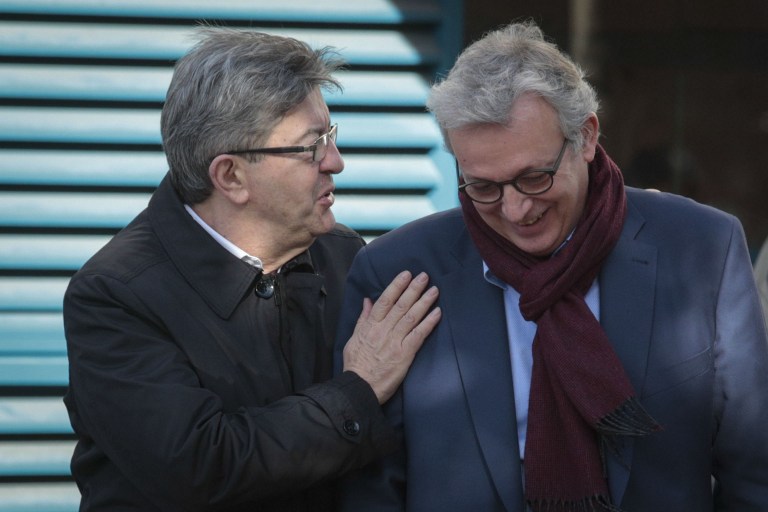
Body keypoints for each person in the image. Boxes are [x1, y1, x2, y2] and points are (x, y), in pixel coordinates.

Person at [334, 20, 768, 512]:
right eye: (483, 187)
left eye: (534, 177)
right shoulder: (399, 271)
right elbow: (371, 486)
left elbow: (754, 468)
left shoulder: (703, 247)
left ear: (585, 137)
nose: (516, 209)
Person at [62, 28, 441, 511]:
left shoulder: (344, 256)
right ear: (231, 176)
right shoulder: (115, 294)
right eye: (311, 147)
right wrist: (358, 391)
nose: (336, 162)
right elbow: (199, 466)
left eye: (331, 135)